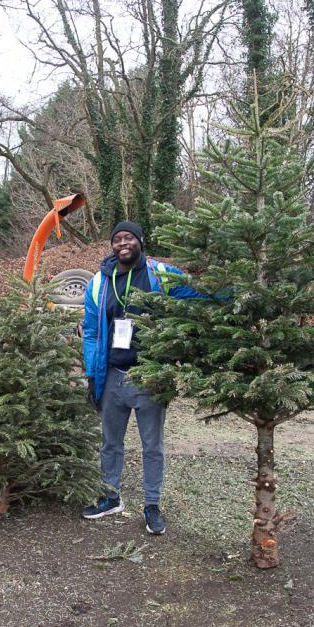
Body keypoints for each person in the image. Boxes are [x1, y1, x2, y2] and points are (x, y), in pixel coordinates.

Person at [82, 221, 200, 535]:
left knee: (152, 446)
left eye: (129, 237)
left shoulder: (161, 276)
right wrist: (93, 375)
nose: (123, 243)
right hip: (113, 377)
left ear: (140, 241)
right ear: (112, 245)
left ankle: (151, 505)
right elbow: (92, 333)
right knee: (110, 443)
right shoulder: (98, 284)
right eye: (118, 238)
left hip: (150, 377)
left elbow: (198, 292)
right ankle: (110, 496)